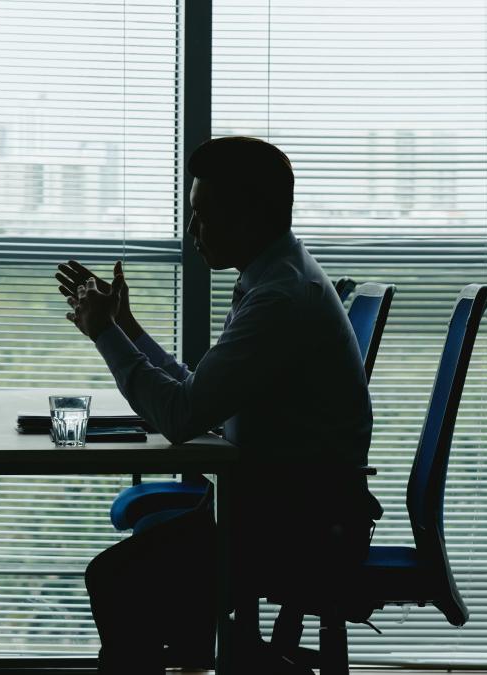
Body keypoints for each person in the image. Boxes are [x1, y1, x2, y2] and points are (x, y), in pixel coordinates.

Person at [56, 137, 379, 674]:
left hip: (294, 527)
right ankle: (212, 651)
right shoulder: (276, 279)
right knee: (138, 573)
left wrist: (105, 333)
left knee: (117, 579)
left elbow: (182, 417)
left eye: (203, 217)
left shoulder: (278, 299)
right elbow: (199, 393)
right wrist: (126, 328)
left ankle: (207, 652)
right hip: (280, 509)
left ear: (249, 215)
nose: (191, 233)